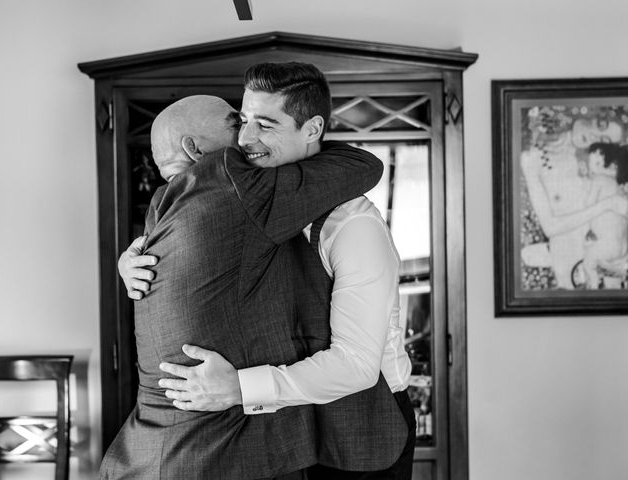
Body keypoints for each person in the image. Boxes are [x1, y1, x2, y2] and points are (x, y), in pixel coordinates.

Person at [120, 62, 416, 479]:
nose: (245, 139)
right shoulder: (242, 203)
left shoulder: (354, 227)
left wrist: (239, 388)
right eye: (242, 121)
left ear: (312, 129)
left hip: (360, 429)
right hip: (288, 436)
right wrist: (136, 257)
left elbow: (355, 365)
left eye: (266, 124)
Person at [520, 142, 628, 289]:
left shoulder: (601, 181)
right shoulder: (561, 161)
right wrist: (607, 204)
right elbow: (551, 227)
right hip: (582, 245)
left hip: (596, 249)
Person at [581, 142, 628, 288]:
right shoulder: (620, 187)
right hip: (623, 247)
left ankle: (594, 287)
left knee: (588, 263)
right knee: (612, 269)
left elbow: (588, 205)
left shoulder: (599, 180)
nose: (591, 167)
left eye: (595, 163)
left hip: (607, 246)